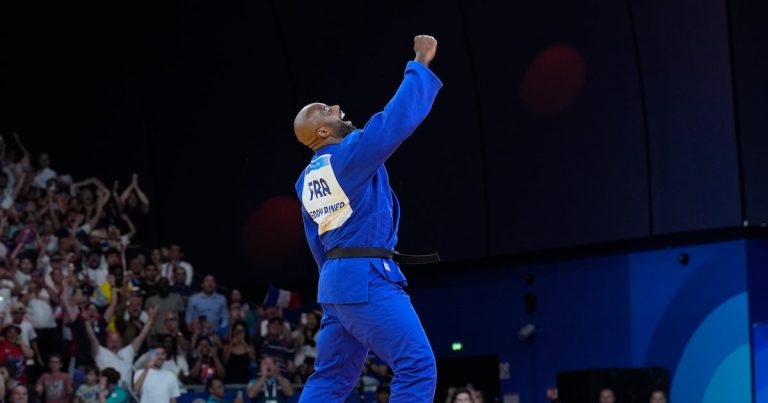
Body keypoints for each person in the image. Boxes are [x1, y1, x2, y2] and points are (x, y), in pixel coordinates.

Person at [292, 34, 441, 402]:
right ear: (323, 132)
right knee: (417, 365)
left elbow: (316, 239)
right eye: (327, 110)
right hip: (365, 279)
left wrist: (335, 281)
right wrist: (420, 62)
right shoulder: (347, 157)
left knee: (329, 381)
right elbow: (392, 123)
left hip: (335, 284)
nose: (337, 107)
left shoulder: (307, 179)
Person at [86, 306, 157, 388]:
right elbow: (92, 338)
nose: (114, 344)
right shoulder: (100, 352)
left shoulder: (127, 352)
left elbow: (141, 337)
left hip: (125, 396)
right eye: (111, 341)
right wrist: (86, 322)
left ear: (121, 342)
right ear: (106, 341)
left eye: (117, 341)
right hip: (107, 395)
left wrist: (150, 320)